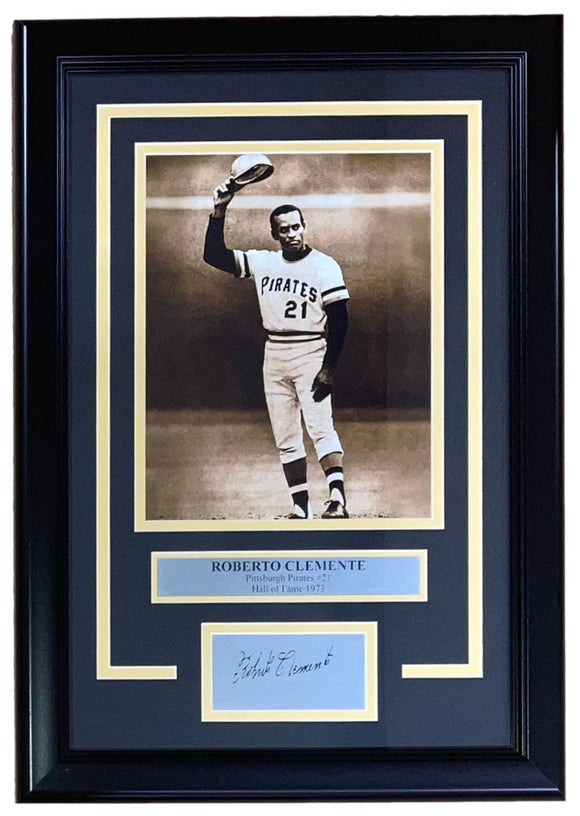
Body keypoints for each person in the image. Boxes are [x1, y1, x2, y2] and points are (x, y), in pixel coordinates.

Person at [203, 178, 349, 519]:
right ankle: (300, 506)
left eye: (296, 227)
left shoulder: (325, 265)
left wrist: (329, 367)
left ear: (304, 227)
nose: (292, 234)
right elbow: (213, 255)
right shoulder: (264, 262)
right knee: (285, 434)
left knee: (320, 427)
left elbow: (340, 319)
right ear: (274, 234)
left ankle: (337, 498)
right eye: (284, 229)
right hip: (275, 353)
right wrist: (219, 211)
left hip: (311, 350)